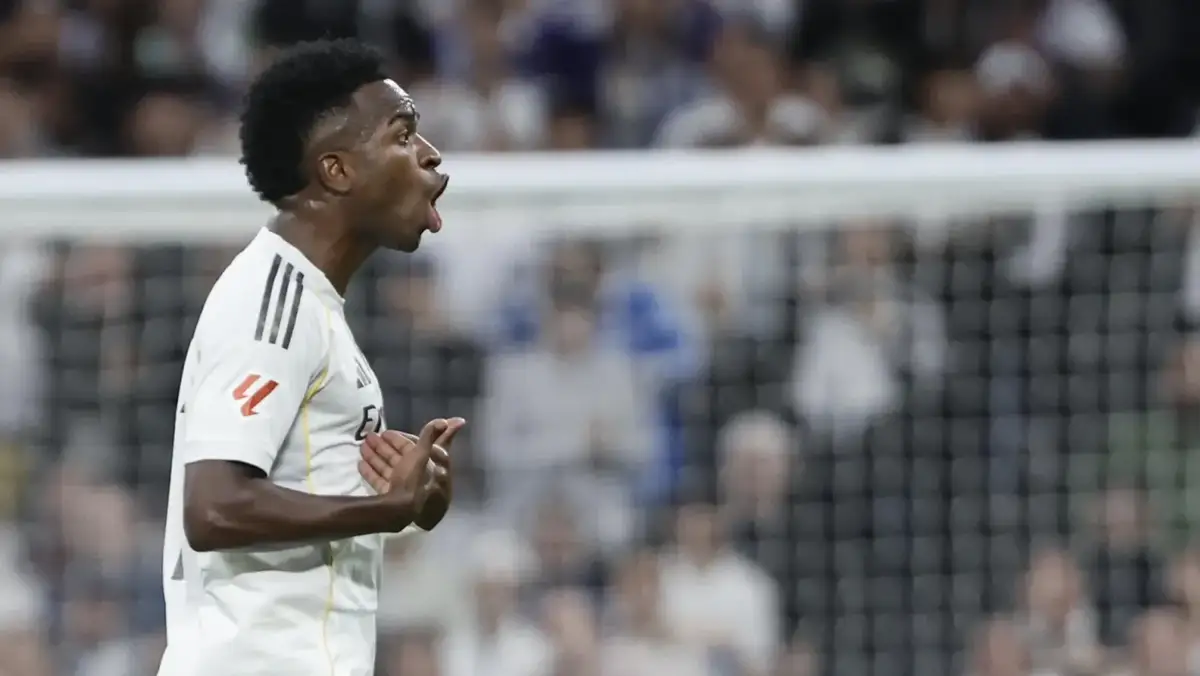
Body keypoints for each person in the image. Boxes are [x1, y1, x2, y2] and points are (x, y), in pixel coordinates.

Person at [155, 39, 465, 676]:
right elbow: (213, 507)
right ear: (337, 170)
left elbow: (300, 498)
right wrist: (384, 510)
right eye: (403, 134)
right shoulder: (271, 301)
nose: (431, 154)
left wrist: (414, 498)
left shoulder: (313, 309)